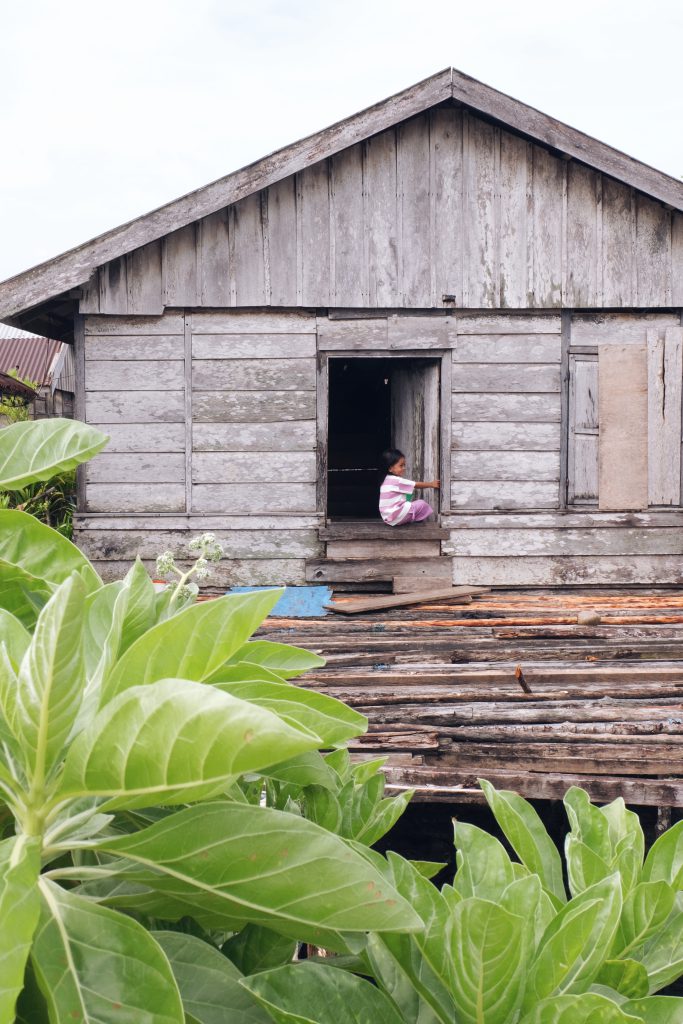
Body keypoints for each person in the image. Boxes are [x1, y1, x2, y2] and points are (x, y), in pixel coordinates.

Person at [378, 448, 440, 526]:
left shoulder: (385, 480)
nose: (404, 468)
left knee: (410, 502)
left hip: (388, 518)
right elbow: (416, 484)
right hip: (395, 515)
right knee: (422, 504)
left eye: (404, 465)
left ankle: (408, 519)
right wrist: (431, 484)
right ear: (390, 468)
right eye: (401, 465)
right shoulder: (396, 480)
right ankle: (414, 520)